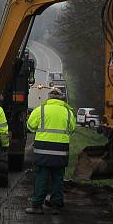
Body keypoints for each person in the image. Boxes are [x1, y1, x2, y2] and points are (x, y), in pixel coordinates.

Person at [25, 87, 75, 215]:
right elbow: (72, 129)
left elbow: (30, 126)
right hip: (61, 150)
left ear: (49, 97)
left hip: (43, 150)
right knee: (58, 178)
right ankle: (56, 206)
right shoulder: (68, 112)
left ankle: (37, 206)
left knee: (42, 177)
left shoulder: (40, 110)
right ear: (61, 98)